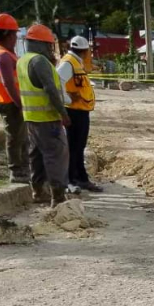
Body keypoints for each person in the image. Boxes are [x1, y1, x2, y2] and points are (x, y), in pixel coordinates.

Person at [17, 23, 71, 206]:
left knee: (37, 156)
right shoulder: (40, 62)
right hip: (48, 119)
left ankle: (38, 191)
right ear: (41, 44)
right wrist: (63, 113)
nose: (51, 49)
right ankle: (58, 196)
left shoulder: (22, 61)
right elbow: (50, 89)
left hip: (31, 118)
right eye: (49, 45)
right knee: (56, 156)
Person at [0, 13, 28, 185]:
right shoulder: (2, 56)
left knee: (20, 137)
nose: (16, 39)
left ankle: (23, 168)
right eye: (15, 35)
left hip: (7, 101)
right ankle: (16, 171)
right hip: (10, 102)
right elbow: (9, 83)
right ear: (8, 35)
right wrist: (20, 104)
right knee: (15, 137)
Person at [57, 35, 101, 192]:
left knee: (78, 146)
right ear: (84, 50)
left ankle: (80, 178)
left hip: (80, 110)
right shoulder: (69, 63)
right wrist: (67, 99)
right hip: (74, 111)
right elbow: (57, 81)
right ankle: (72, 179)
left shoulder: (75, 62)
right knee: (74, 146)